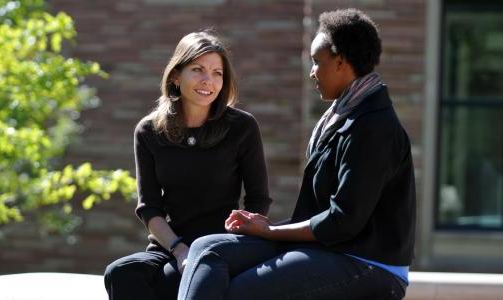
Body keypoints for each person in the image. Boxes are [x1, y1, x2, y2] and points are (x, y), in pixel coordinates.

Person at [178, 9, 415, 300]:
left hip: (369, 263)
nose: (312, 71)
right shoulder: (341, 116)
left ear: (340, 62)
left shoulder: (374, 127)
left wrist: (269, 231)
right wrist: (266, 227)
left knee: (239, 291)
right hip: (330, 249)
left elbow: (343, 221)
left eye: (317, 62)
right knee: (207, 249)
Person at [103, 31, 272, 300]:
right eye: (198, 70)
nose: (209, 80)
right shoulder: (149, 131)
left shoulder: (242, 127)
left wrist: (241, 243)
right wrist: (180, 250)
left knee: (169, 283)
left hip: (222, 244)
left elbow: (258, 199)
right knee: (121, 273)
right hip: (171, 245)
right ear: (175, 76)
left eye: (217, 73)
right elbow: (149, 208)